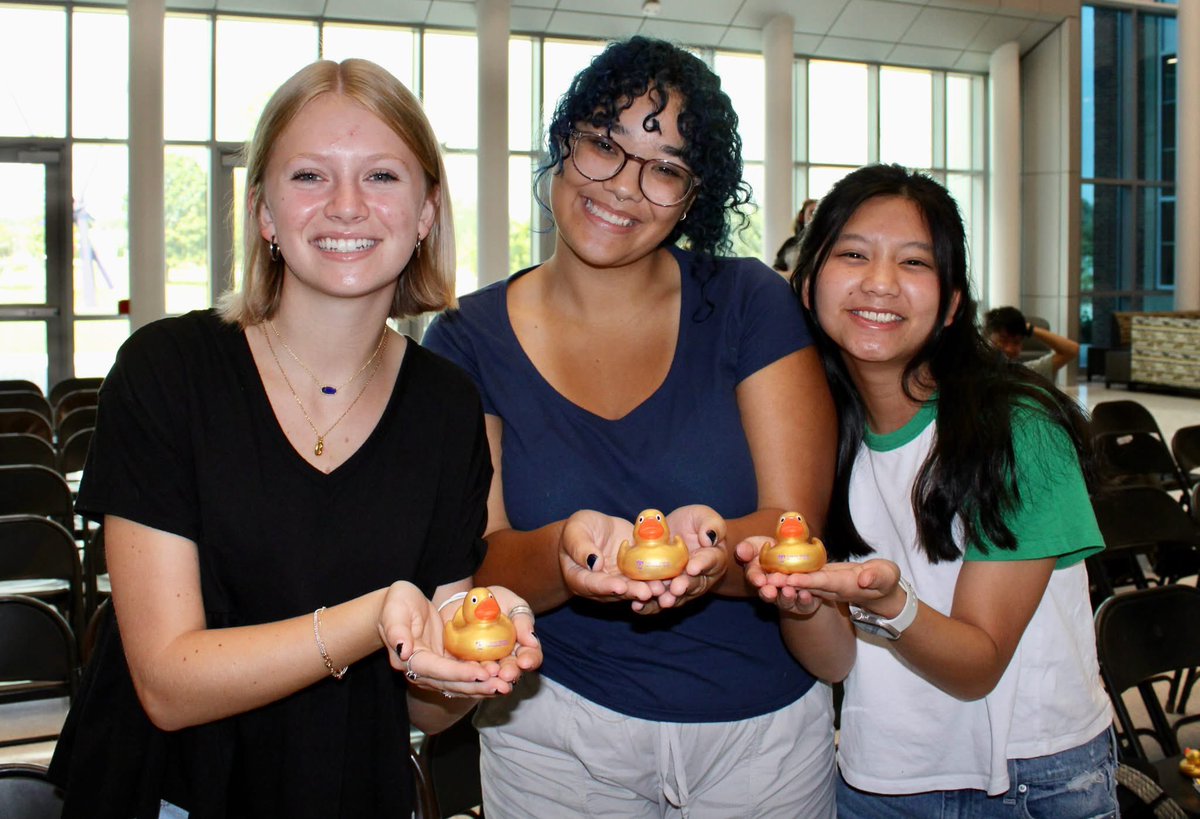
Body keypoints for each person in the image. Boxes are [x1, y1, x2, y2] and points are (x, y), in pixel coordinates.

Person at [47, 58, 541, 819]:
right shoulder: (167, 371)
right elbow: (168, 684)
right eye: (310, 176)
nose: (347, 206)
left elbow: (425, 713)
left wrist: (467, 664)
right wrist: (375, 614)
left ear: (426, 213)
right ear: (265, 214)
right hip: (165, 793)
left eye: (381, 176)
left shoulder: (447, 406)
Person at [423, 36, 840, 818]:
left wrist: (702, 558)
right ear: (563, 144)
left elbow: (795, 526)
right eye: (603, 144)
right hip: (559, 733)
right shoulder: (465, 338)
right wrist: (566, 552)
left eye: (666, 168)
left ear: (694, 196)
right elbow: (476, 564)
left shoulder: (748, 303)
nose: (623, 186)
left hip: (761, 736)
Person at [739, 164, 1115, 817]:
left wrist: (890, 602)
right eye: (853, 253)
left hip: (1032, 778)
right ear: (807, 284)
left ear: (951, 302)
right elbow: (834, 662)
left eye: (913, 262)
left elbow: (977, 664)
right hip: (880, 776)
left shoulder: (1017, 431)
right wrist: (798, 596)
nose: (879, 281)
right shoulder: (820, 439)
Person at [985, 305, 1080, 380]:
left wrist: (1029, 329)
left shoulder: (1028, 372)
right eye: (1003, 340)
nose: (1009, 349)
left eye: (1016, 342)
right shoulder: (976, 374)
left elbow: (1072, 350)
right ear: (987, 336)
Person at [771, 197, 819, 274]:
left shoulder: (829, 244)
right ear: (801, 217)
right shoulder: (790, 244)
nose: (817, 217)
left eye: (820, 213)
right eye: (812, 212)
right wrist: (792, 275)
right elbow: (775, 272)